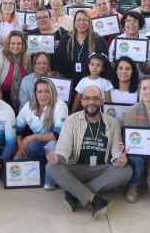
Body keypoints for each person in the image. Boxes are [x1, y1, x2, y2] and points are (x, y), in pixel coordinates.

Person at [45, 86, 131, 220]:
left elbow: (116, 150)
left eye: (96, 98)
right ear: (82, 102)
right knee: (50, 167)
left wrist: (119, 159)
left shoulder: (113, 123)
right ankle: (95, 199)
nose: (91, 102)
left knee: (126, 170)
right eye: (87, 98)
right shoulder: (71, 120)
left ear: (102, 101)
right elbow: (64, 148)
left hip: (100, 169)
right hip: (76, 167)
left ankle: (75, 192)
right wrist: (58, 157)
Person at [15, 78, 69, 190]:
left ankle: (51, 181)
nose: (43, 95)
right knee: (16, 162)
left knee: (52, 144)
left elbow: (57, 135)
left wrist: (32, 137)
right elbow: (17, 129)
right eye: (40, 91)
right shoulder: (28, 106)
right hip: (37, 144)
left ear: (52, 92)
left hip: (56, 145)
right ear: (35, 93)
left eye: (47, 91)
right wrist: (21, 145)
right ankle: (41, 166)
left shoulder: (60, 105)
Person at [53, 9, 107, 88]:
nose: (81, 23)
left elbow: (104, 64)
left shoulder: (98, 40)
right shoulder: (65, 39)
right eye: (78, 19)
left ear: (89, 22)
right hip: (69, 84)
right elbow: (58, 62)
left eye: (85, 19)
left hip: (92, 86)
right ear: (74, 22)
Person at [108, 10, 150, 76]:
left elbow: (148, 71)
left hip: (140, 82)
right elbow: (112, 68)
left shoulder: (149, 43)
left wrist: (143, 64)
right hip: (121, 81)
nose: (131, 23)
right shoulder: (116, 42)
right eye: (128, 21)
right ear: (124, 24)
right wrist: (115, 60)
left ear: (140, 25)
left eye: (135, 21)